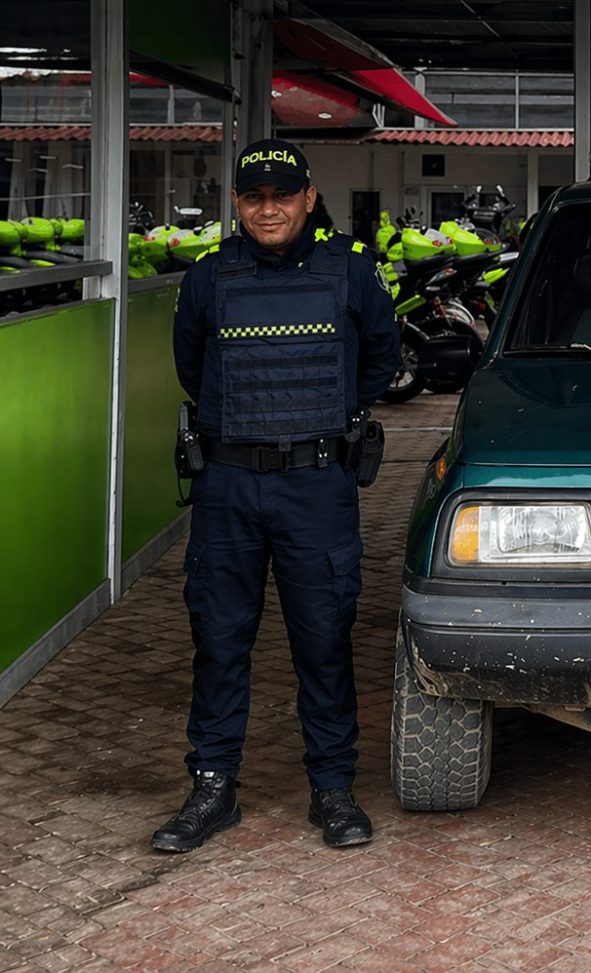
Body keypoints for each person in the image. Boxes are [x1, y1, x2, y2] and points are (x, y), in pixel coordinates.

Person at [152, 139, 400, 852]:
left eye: (282, 194)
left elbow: (382, 354)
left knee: (323, 638)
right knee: (220, 638)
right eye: (254, 196)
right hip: (228, 483)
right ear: (236, 203)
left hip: (316, 483)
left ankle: (333, 788)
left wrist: (326, 419)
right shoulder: (208, 278)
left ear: (308, 197)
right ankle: (212, 786)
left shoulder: (351, 271)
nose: (268, 208)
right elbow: (192, 367)